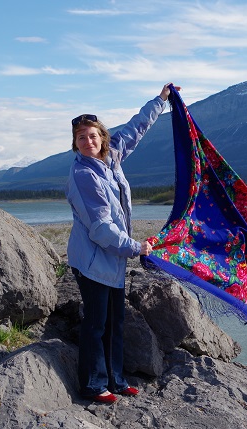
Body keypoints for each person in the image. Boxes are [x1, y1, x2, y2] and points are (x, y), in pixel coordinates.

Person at [65, 83, 179, 404]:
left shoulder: (111, 157)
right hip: (92, 261)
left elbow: (136, 128)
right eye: (81, 138)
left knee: (115, 321)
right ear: (75, 143)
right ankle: (92, 385)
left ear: (102, 137)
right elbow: (101, 228)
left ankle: (116, 380)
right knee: (96, 324)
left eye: (92, 135)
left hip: (111, 260)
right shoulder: (83, 175)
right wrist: (135, 247)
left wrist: (161, 100)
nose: (88, 141)